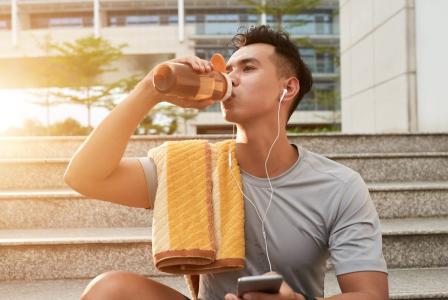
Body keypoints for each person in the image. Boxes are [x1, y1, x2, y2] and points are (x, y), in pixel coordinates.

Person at [64, 25, 388, 300]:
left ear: (287, 88)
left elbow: (370, 294)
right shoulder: (192, 167)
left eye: (247, 68)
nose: (231, 78)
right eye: (229, 70)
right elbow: (85, 177)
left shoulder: (338, 185)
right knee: (112, 288)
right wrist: (150, 89)